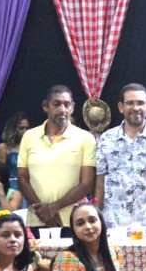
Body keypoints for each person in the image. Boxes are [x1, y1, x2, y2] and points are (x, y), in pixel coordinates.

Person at [95, 83, 146, 234]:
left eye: (140, 103)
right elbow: (100, 181)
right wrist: (97, 217)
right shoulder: (106, 138)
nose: (135, 107)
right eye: (130, 103)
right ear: (120, 107)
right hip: (113, 222)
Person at [17, 85, 97, 233]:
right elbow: (22, 179)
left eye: (67, 105)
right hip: (37, 220)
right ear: (45, 106)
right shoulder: (29, 136)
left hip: (73, 221)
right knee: (38, 258)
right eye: (56, 104)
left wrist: (52, 208)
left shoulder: (85, 138)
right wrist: (44, 213)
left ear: (72, 108)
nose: (62, 109)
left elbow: (87, 183)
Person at [0, 112, 30, 193]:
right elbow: (0, 173)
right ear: (13, 129)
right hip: (12, 188)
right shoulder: (4, 147)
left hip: (29, 187)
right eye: (21, 128)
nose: (25, 131)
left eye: (27, 128)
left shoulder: (32, 146)